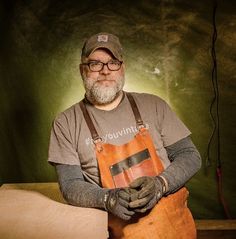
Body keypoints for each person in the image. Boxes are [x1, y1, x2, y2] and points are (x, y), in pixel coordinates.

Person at [48, 32, 201, 239]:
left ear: (122, 67)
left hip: (174, 228)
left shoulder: (153, 105)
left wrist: (160, 184)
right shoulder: (66, 123)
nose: (105, 71)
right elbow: (70, 185)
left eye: (113, 63)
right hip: (120, 232)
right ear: (82, 70)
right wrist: (108, 199)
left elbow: (189, 155)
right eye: (95, 64)